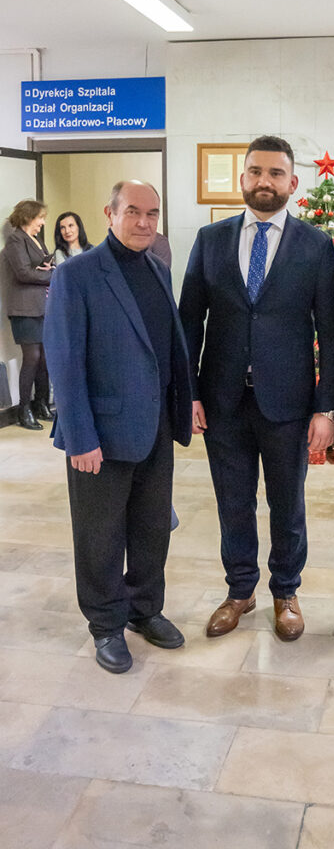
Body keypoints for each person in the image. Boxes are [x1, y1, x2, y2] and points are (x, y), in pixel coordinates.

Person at [179, 135, 334, 642]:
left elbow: (332, 332)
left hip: (288, 402)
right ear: (243, 179)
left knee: (287, 504)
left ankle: (286, 591)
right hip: (223, 399)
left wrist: (327, 409)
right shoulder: (211, 240)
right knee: (233, 501)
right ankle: (240, 590)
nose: (264, 181)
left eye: (275, 173)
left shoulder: (316, 245)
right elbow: (189, 322)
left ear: (292, 182)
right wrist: (189, 393)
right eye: (255, 171)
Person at [43, 180, 192, 674]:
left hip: (155, 426)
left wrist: (182, 405)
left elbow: (163, 348)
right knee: (100, 535)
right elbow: (65, 362)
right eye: (133, 212)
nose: (144, 222)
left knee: (152, 527)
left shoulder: (157, 269)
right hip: (100, 435)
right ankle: (106, 623)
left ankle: (144, 609)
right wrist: (80, 437)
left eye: (152, 213)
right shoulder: (78, 274)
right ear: (109, 214)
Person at [3, 199, 54, 430]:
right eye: (40, 218)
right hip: (23, 308)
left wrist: (48, 269)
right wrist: (52, 275)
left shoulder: (36, 240)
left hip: (41, 306)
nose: (42, 223)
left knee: (44, 358)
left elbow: (37, 268)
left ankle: (41, 404)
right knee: (32, 357)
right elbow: (23, 273)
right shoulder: (16, 239)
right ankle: (24, 409)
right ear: (28, 216)